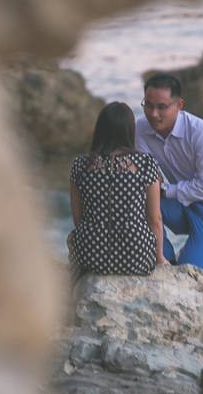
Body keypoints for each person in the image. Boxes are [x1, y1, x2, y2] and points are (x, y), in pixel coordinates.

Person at [135, 73, 203, 274]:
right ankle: (163, 256)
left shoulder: (200, 132)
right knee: (136, 197)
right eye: (148, 105)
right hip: (185, 203)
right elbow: (144, 176)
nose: (153, 114)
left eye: (162, 107)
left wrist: (165, 190)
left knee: (186, 273)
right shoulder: (141, 129)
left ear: (179, 105)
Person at [68, 102, 167, 278]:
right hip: (136, 257)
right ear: (130, 131)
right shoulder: (145, 164)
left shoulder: (80, 164)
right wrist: (159, 258)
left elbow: (78, 217)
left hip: (90, 255)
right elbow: (155, 218)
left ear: (100, 129)